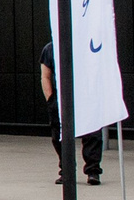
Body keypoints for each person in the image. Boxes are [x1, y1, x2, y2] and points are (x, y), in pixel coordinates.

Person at [38, 41, 105, 187]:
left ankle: (93, 171)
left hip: (87, 95)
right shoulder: (50, 48)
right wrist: (50, 99)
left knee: (93, 134)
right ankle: (66, 170)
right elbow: (45, 76)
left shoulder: (86, 44)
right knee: (59, 136)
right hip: (60, 98)